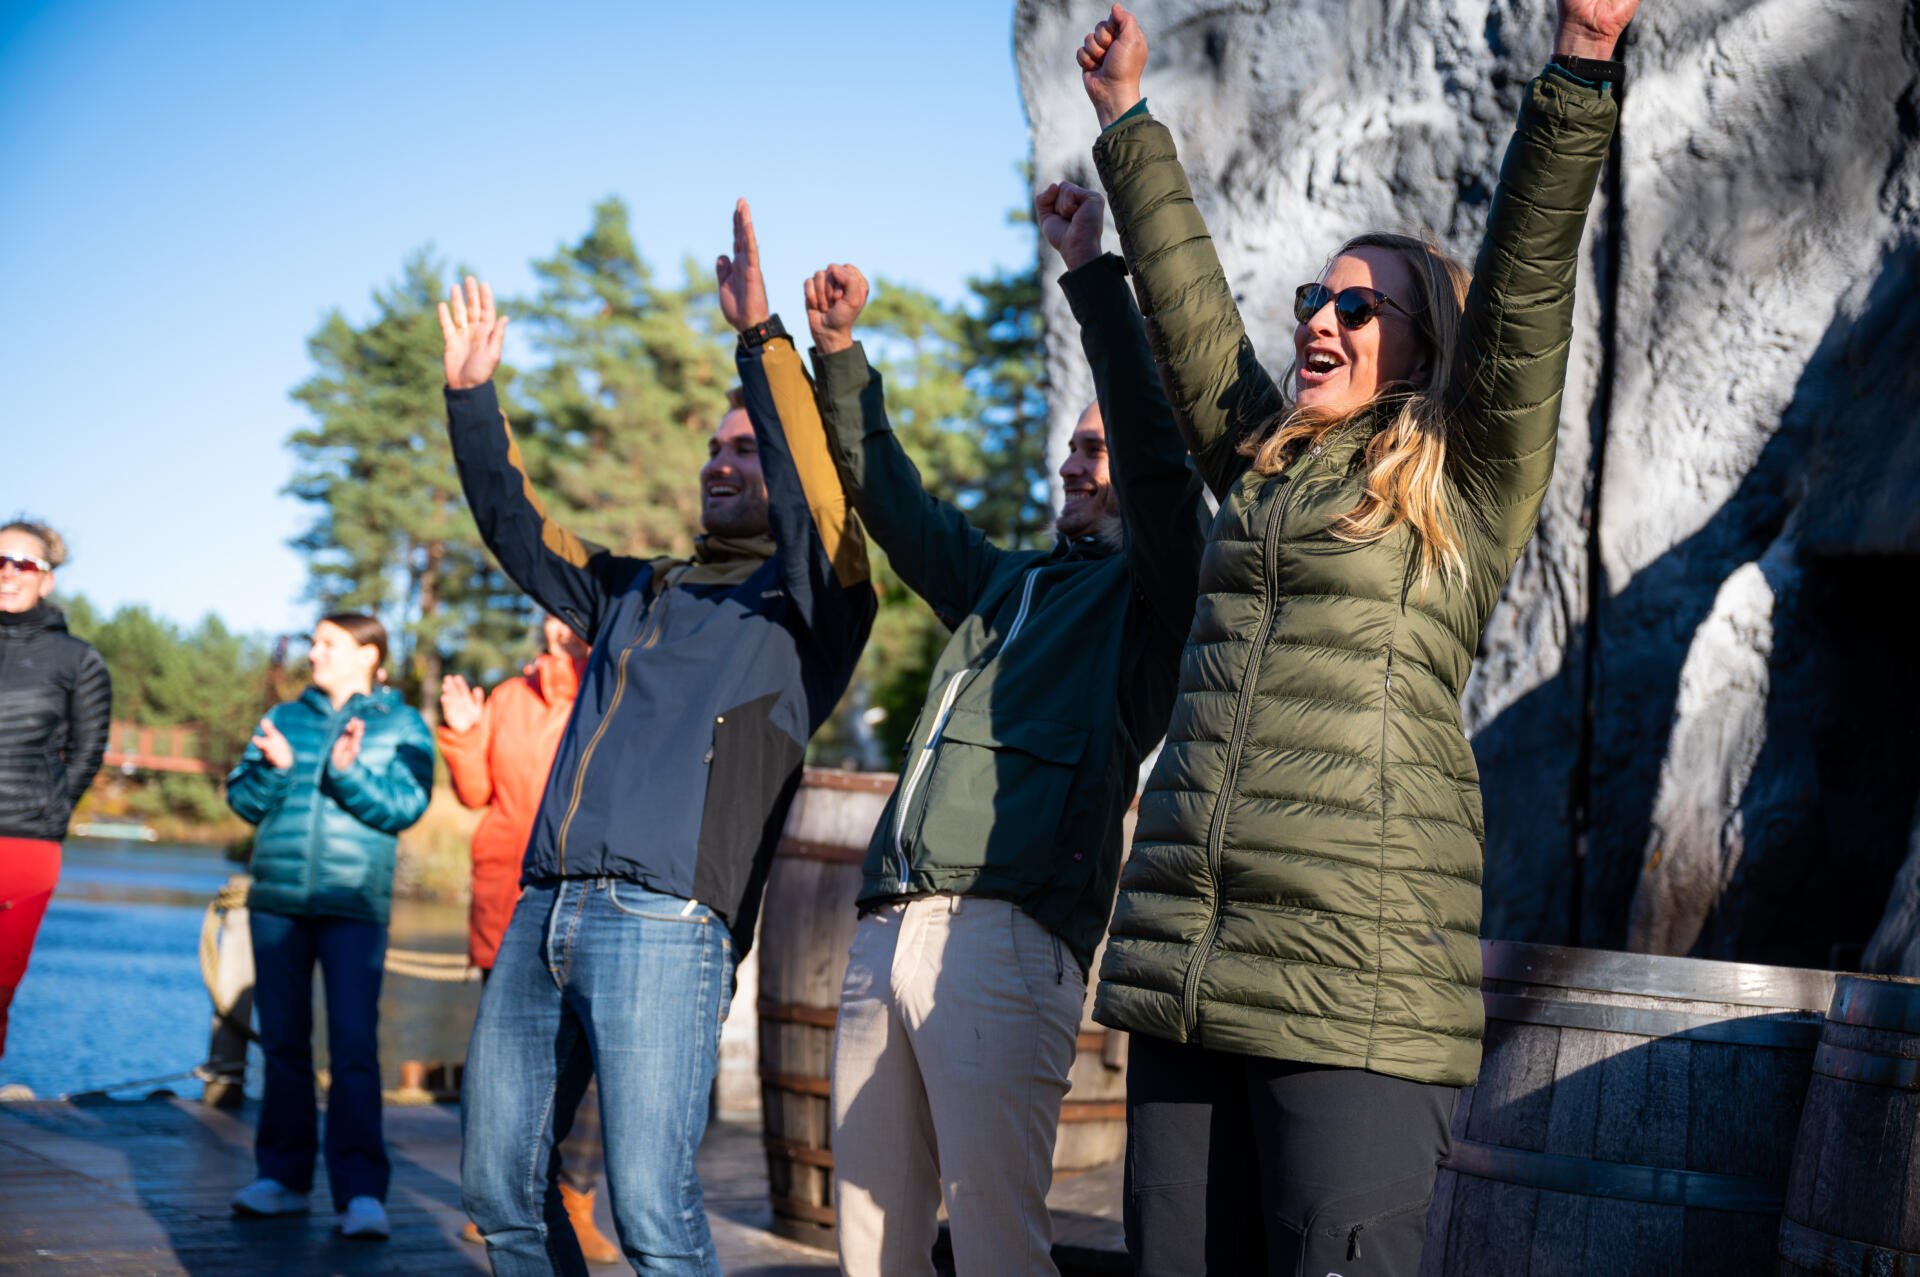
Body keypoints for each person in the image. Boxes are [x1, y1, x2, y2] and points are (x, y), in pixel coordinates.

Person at [1073, 1, 1638, 1271]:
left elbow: (1532, 283)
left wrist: (1581, 65)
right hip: (1190, 975)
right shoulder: (1266, 469)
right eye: (1316, 295)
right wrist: (1125, 120)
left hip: (1356, 994)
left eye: (1361, 307)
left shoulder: (1464, 479)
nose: (1322, 317)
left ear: (1425, 347)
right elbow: (1191, 318)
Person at [445, 199, 875, 1276]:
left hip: (661, 925)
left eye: (747, 449)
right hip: (543, 912)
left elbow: (816, 497)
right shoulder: (633, 590)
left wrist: (760, 338)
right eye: (715, 448)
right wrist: (470, 397)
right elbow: (513, 523)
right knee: (501, 1192)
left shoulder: (813, 612)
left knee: (649, 1210)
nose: (723, 462)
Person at [800, 178, 1208, 1276]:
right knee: (871, 1248)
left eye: (1097, 449)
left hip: (1008, 938)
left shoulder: (1160, 599)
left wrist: (1090, 274)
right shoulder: (1006, 582)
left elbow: (1165, 475)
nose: (1075, 464)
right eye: (1071, 451)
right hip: (885, 929)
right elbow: (899, 505)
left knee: (994, 1252)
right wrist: (840, 356)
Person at [224, 613, 435, 1241]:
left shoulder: (400, 724)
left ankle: (362, 1193)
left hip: (353, 906)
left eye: (328, 644)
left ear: (369, 654)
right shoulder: (285, 719)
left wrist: (347, 773)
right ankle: (283, 1181)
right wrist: (276, 769)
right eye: (313, 642)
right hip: (278, 903)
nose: (313, 653)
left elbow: (405, 806)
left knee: (352, 1049)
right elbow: (242, 800)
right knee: (284, 1045)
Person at [439, 615, 617, 1264]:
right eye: (547, 605)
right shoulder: (509, 698)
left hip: (587, 897)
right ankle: (508, 1194)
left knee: (589, 1071)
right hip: (505, 898)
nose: (557, 619)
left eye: (569, 606)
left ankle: (575, 1200)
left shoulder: (614, 683)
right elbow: (474, 791)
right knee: (503, 1064)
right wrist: (462, 734)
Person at [0, 519, 111, 1066]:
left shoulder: (78, 660)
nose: (8, 573)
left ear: (47, 579)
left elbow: (89, 752)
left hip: (25, 845)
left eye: (24, 564)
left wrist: (52, 807)